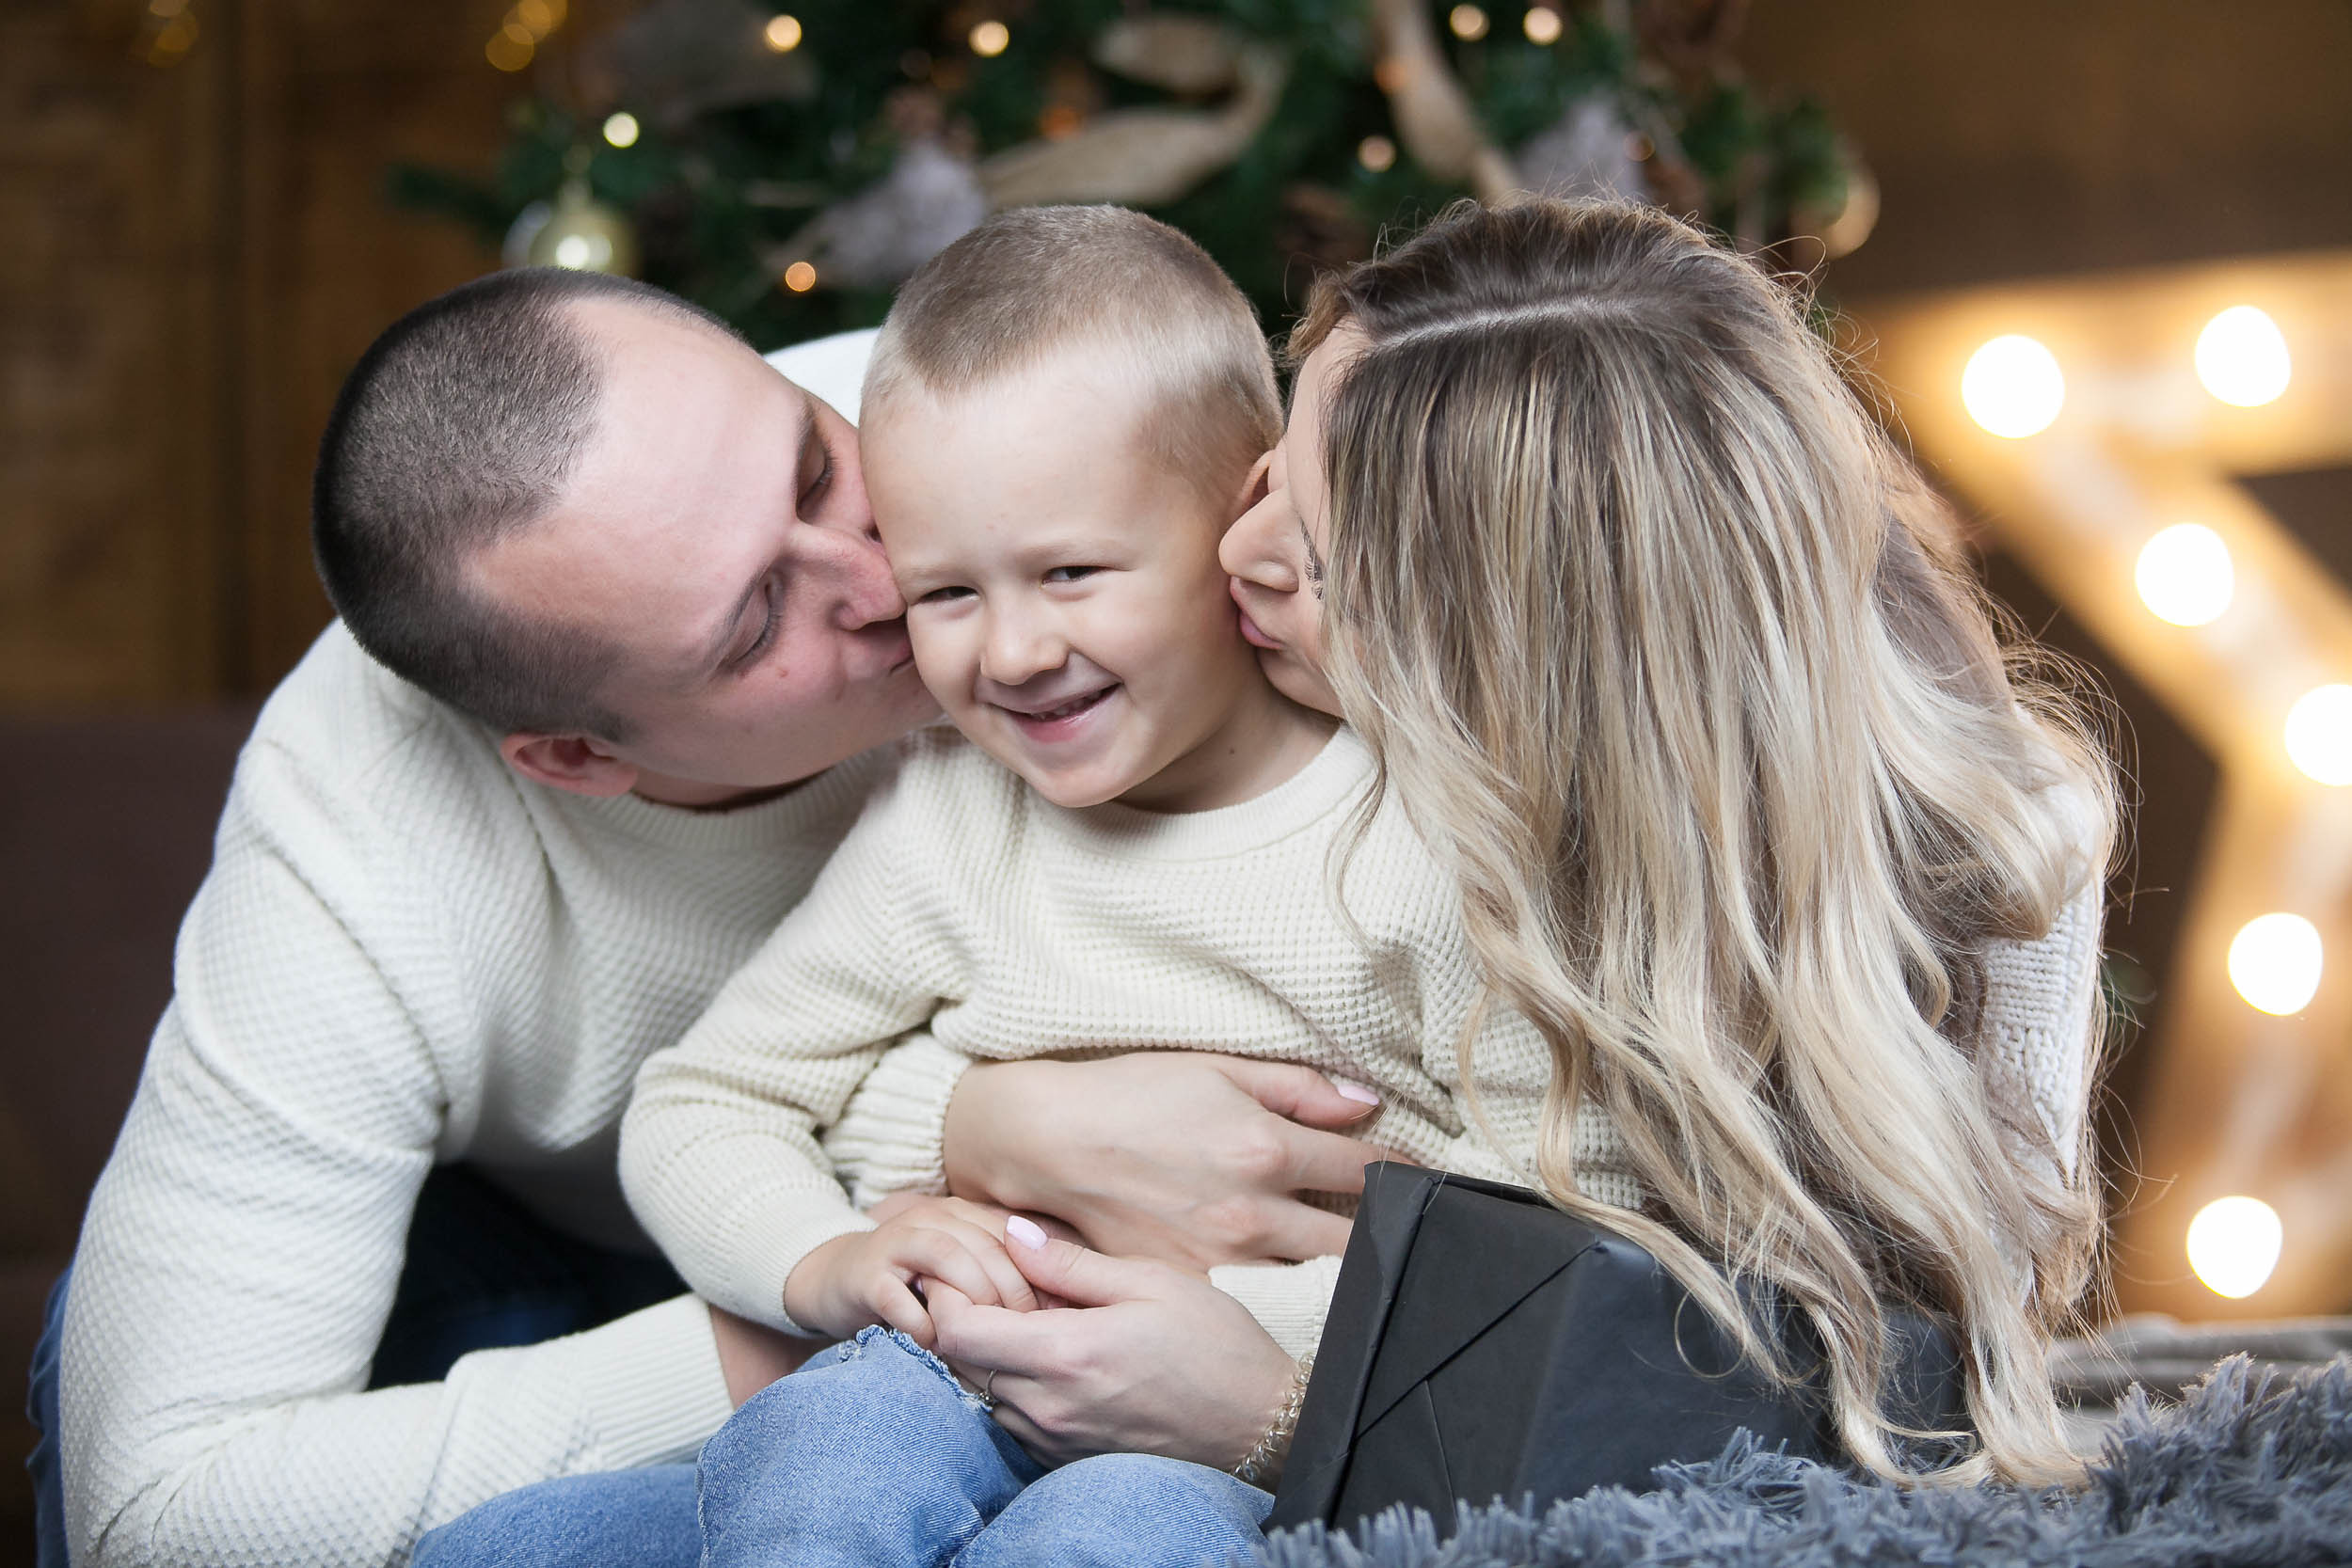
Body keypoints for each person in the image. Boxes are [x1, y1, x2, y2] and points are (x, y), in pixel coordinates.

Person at [33, 267, 1399, 1568]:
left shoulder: (974, 420)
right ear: (580, 758)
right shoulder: (355, 841)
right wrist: (941, 1208)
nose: (889, 574)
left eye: (812, 463)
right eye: (757, 626)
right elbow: (159, 1508)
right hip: (629, 1272)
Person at [612, 205, 1611, 1567]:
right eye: (945, 594)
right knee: (757, 1473)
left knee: (1112, 1527)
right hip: (950, 1376)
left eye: (1071, 574)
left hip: (1234, 1436)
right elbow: (707, 1096)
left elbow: (1554, 1231)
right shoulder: (953, 825)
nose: (1014, 651)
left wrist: (1263, 1342)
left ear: (1245, 518)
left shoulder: (1422, 836)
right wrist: (828, 1265)